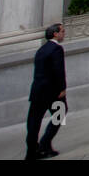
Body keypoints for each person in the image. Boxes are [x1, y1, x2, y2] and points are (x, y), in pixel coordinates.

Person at [25, 22, 66, 160]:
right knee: (60, 113)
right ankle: (45, 143)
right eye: (62, 31)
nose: (63, 34)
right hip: (52, 91)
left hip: (37, 91)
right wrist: (62, 88)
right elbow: (59, 70)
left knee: (33, 122)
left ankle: (31, 150)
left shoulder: (41, 49)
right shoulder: (56, 49)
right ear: (55, 33)